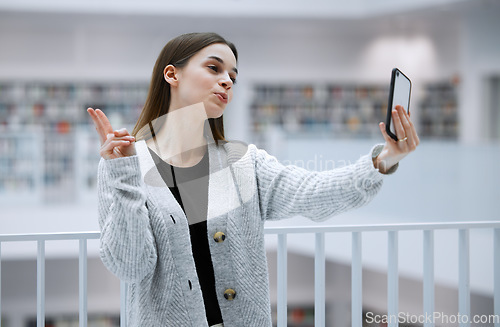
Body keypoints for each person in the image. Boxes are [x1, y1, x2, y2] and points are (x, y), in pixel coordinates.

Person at [87, 32, 419, 327]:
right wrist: (126, 177)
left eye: (233, 75)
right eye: (214, 68)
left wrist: (382, 161)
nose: (228, 81)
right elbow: (130, 266)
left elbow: (313, 192)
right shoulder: (123, 165)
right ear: (172, 74)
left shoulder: (245, 164)